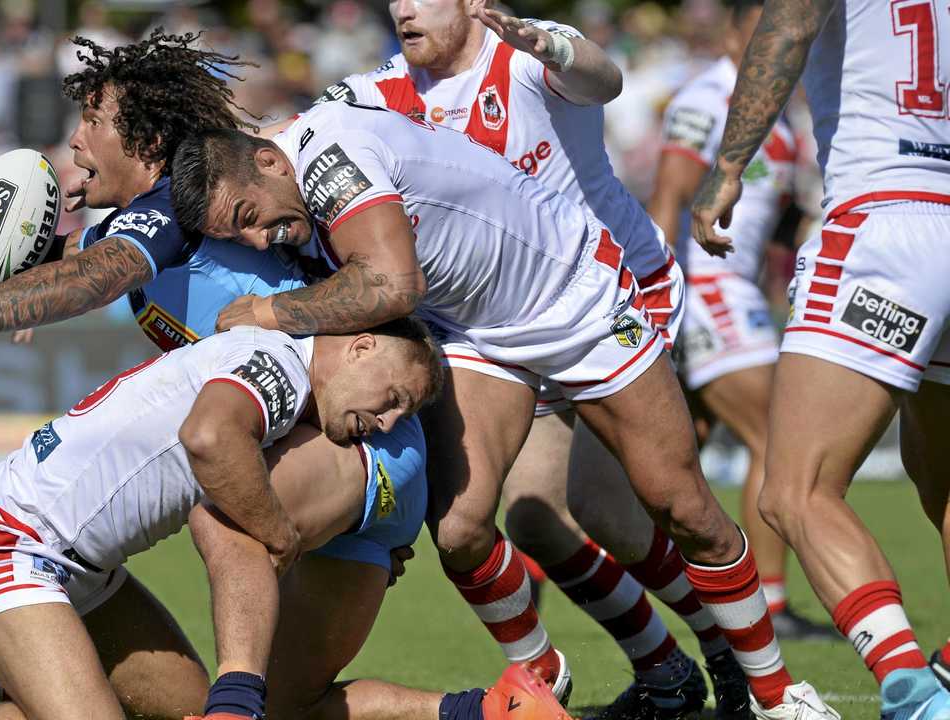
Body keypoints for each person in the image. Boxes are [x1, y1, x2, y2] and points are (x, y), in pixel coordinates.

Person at [0, 32, 568, 720]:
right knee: (279, 698)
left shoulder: (177, 210)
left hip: (358, 442)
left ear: (148, 142)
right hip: (358, 449)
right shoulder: (146, 225)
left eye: (91, 123)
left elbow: (95, 279)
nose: (74, 143)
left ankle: (232, 706)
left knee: (226, 502)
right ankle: (490, 705)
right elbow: (73, 265)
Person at [170, 99, 838, 720]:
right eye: (240, 232)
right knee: (460, 529)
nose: (259, 240)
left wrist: (267, 313)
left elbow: (393, 283)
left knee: (681, 506)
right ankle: (540, 682)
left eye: (250, 217)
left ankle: (777, 694)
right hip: (479, 333)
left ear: (267, 159)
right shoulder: (287, 161)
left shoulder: (329, 158)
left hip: (573, 296)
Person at [309, 3, 752, 715]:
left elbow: (604, 78)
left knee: (608, 509)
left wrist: (550, 45)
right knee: (534, 522)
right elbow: (296, 133)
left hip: (613, 291)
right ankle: (664, 670)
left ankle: (728, 646)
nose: (402, 9)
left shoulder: (528, 54)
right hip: (507, 321)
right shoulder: (385, 86)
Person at [0, 318, 465, 720]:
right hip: (2, 541)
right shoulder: (280, 363)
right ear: (359, 346)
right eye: (393, 397)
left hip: (84, 572)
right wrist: (281, 534)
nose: (389, 421)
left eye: (404, 413)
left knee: (187, 704)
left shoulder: (281, 373)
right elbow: (208, 438)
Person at [690, 0, 950, 713]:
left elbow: (790, 24)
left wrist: (729, 165)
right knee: (943, 479)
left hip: (883, 218)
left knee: (794, 489)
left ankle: (915, 693)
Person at [644, 0, 837, 642]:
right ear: (732, 33)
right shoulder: (710, 97)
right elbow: (669, 196)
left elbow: (769, 215)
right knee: (778, 438)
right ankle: (772, 606)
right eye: (763, 28)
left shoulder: (786, 113)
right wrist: (658, 302)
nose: (779, 41)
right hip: (703, 290)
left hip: (737, 289)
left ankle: (556, 555)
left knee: (668, 470)